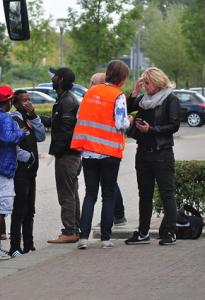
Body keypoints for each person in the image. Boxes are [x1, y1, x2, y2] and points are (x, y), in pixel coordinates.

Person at [71, 61, 131, 249]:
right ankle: (105, 238)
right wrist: (129, 120)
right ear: (122, 80)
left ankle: (83, 238)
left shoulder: (90, 92)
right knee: (108, 194)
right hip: (109, 153)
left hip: (89, 152)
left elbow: (80, 115)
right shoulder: (118, 96)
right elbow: (121, 123)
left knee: (90, 194)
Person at [124, 67, 180, 246]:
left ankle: (170, 233)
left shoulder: (170, 99)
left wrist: (151, 130)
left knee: (167, 194)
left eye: (147, 83)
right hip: (143, 153)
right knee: (144, 195)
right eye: (144, 83)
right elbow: (128, 107)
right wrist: (135, 91)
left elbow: (174, 125)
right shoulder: (143, 99)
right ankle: (143, 233)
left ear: (157, 82)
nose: (145, 87)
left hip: (162, 153)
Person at [0, 85, 26, 259]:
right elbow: (8, 137)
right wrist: (21, 132)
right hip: (4, 167)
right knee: (2, 208)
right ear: (9, 100)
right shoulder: (5, 118)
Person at [8, 90, 46, 257]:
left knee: (30, 209)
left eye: (29, 99)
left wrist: (34, 115)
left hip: (32, 172)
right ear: (16, 103)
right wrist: (28, 157)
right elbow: (13, 146)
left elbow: (41, 136)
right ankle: (15, 246)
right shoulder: (14, 119)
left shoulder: (29, 118)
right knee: (19, 209)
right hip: (21, 171)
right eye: (24, 100)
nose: (28, 103)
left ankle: (29, 244)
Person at [46, 67, 82, 244]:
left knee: (66, 194)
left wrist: (58, 151)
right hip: (70, 154)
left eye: (54, 76)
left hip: (67, 156)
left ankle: (69, 231)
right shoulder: (64, 99)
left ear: (59, 79)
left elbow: (66, 131)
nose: (51, 78)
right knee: (72, 192)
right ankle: (75, 229)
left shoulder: (67, 101)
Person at [88, 72, 128, 227]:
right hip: (102, 148)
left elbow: (120, 122)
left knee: (106, 188)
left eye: (92, 82)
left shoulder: (103, 99)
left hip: (104, 148)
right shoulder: (98, 97)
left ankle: (113, 218)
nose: (90, 85)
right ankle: (118, 214)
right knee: (110, 184)